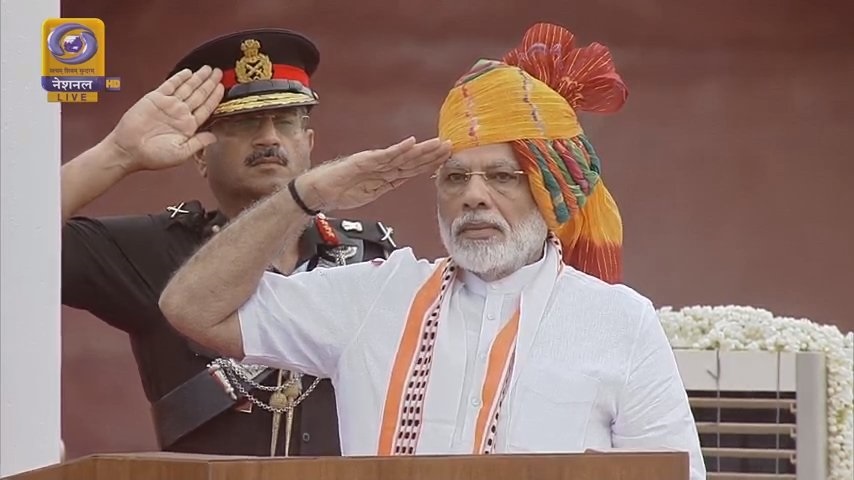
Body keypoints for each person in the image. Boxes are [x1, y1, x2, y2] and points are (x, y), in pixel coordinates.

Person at [157, 23, 705, 479]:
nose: (472, 196)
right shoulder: (374, 297)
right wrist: (306, 195)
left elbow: (672, 473)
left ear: (549, 193)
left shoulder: (617, 321)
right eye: (454, 177)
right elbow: (191, 308)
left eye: (502, 177)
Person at [62, 28, 400, 457]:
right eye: (243, 122)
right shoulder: (155, 249)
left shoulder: (369, 258)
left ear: (309, 144)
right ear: (200, 153)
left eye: (287, 120)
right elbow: (16, 238)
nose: (269, 138)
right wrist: (118, 154)